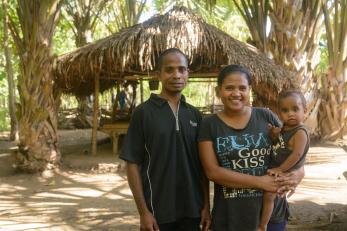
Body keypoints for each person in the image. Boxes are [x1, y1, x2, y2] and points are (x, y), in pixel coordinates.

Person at [198, 64, 305, 231]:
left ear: (250, 90)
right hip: (231, 216)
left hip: (271, 214)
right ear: (218, 91)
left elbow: (294, 150)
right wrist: (261, 182)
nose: (236, 93)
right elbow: (212, 172)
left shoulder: (266, 116)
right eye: (229, 88)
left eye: (242, 88)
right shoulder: (209, 124)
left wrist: (297, 175)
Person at [120, 48, 211, 231]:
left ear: (188, 73)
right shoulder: (143, 113)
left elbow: (203, 167)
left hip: (193, 210)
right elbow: (132, 164)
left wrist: (206, 207)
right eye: (169, 70)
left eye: (181, 69)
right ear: (158, 75)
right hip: (157, 212)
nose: (176, 75)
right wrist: (143, 212)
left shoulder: (195, 115)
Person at [258, 90, 310, 231]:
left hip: (287, 171)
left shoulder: (300, 131)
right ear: (279, 113)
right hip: (280, 168)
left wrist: (280, 169)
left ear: (305, 110)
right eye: (285, 110)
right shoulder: (285, 128)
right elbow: (281, 144)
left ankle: (263, 225)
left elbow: (297, 154)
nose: (290, 114)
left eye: (295, 109)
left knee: (269, 195)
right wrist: (274, 134)